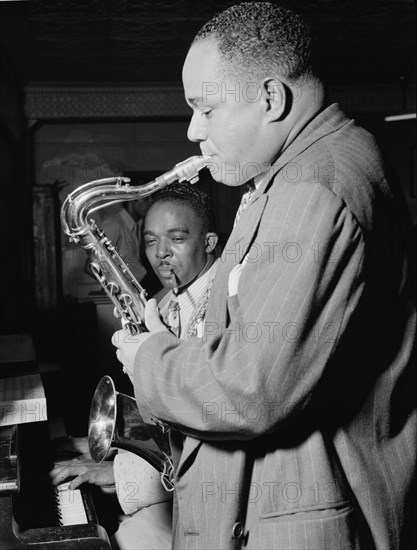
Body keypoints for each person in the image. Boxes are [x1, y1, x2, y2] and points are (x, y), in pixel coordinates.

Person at [113, 3, 417, 550]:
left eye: (204, 109)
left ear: (272, 99)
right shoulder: (313, 168)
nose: (192, 130)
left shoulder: (311, 189)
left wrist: (150, 359)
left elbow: (252, 388)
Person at [51, 182, 219, 550]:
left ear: (208, 242)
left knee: (125, 539)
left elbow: (204, 427)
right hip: (173, 481)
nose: (161, 254)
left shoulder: (219, 307)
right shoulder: (163, 300)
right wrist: (113, 450)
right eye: (150, 241)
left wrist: (120, 471)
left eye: (176, 239)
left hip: (211, 499)